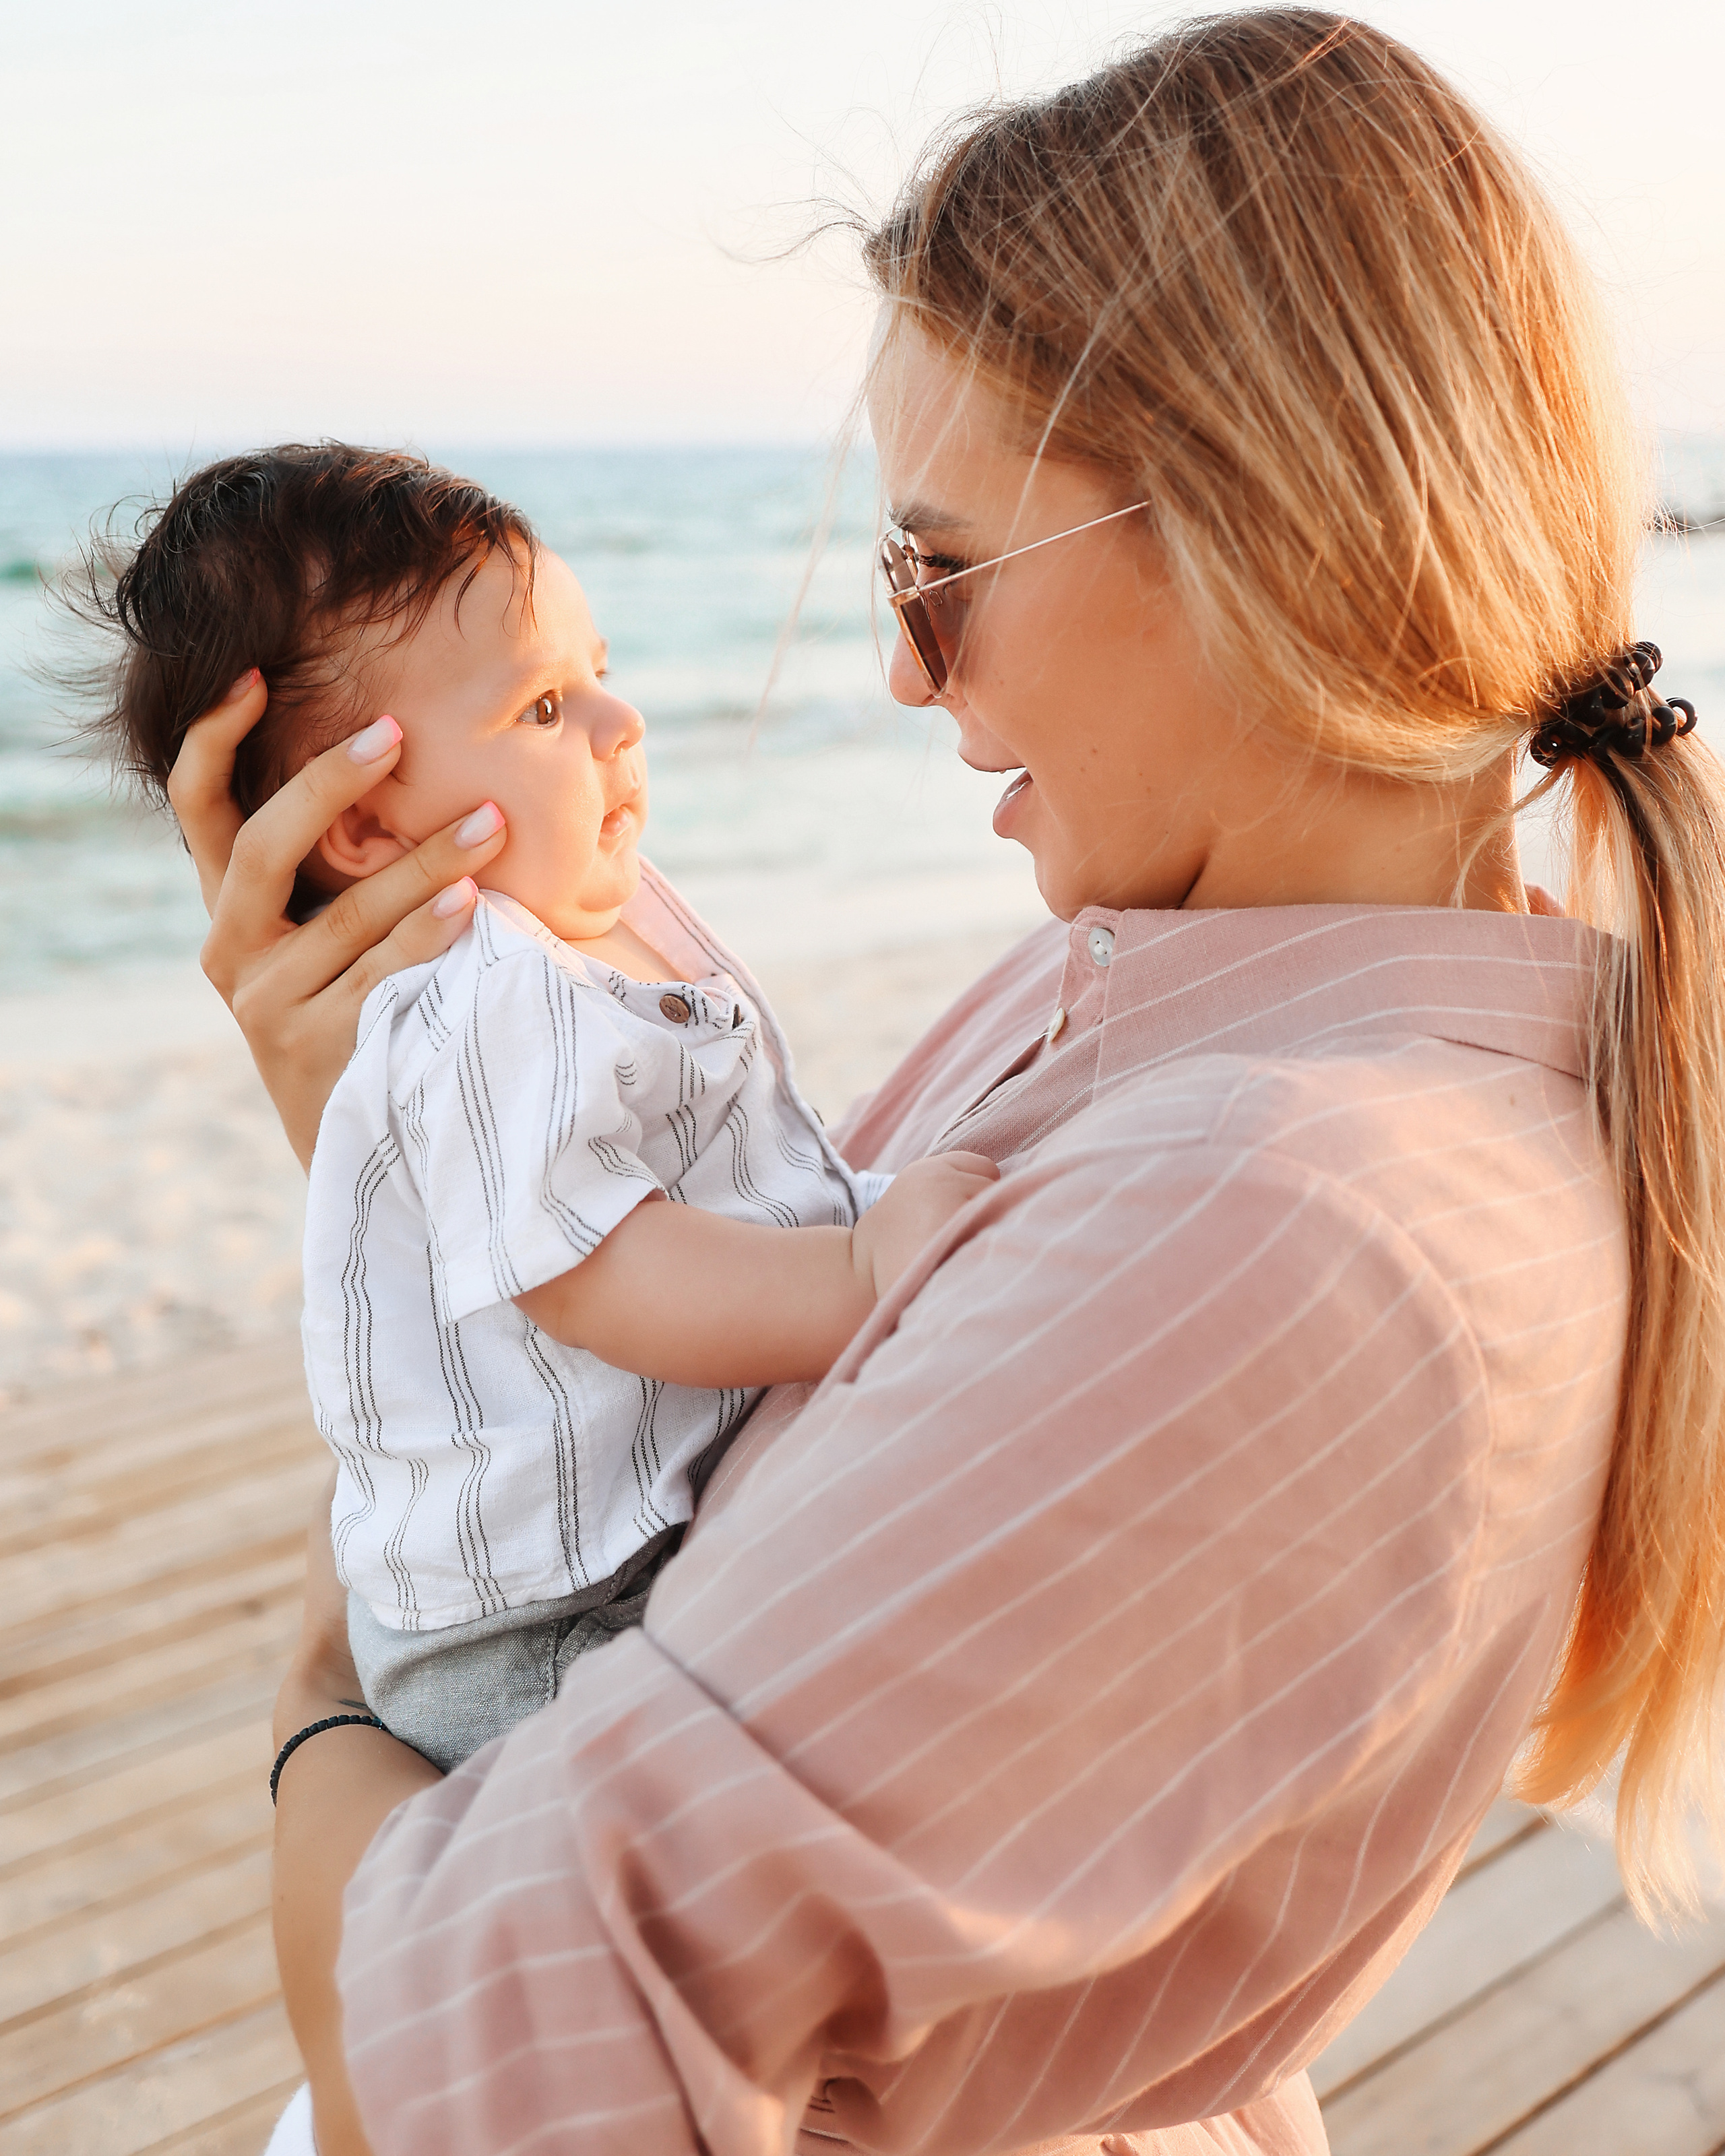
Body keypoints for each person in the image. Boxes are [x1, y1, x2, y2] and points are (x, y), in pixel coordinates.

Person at [165, 11, 1725, 2155]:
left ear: (1257, 537)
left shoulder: (1278, 1213)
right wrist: (382, 1121)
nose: (905, 664)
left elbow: (490, 2059)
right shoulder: (1162, 1006)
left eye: (942, 567)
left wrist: (319, 1706)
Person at [82, 443, 993, 1773]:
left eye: (601, 672)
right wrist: (856, 1267)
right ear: (362, 824)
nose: (621, 725)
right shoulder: (482, 984)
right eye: (545, 709)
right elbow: (581, 1264)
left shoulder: (560, 929)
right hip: (550, 1624)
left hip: (571, 1565)